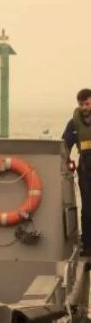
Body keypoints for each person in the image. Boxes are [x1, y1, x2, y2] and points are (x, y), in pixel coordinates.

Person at [63, 88, 91, 255]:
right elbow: (64, 146)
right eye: (81, 104)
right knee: (87, 207)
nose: (84, 107)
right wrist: (68, 162)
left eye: (87, 103)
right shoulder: (74, 123)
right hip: (86, 169)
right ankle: (87, 245)